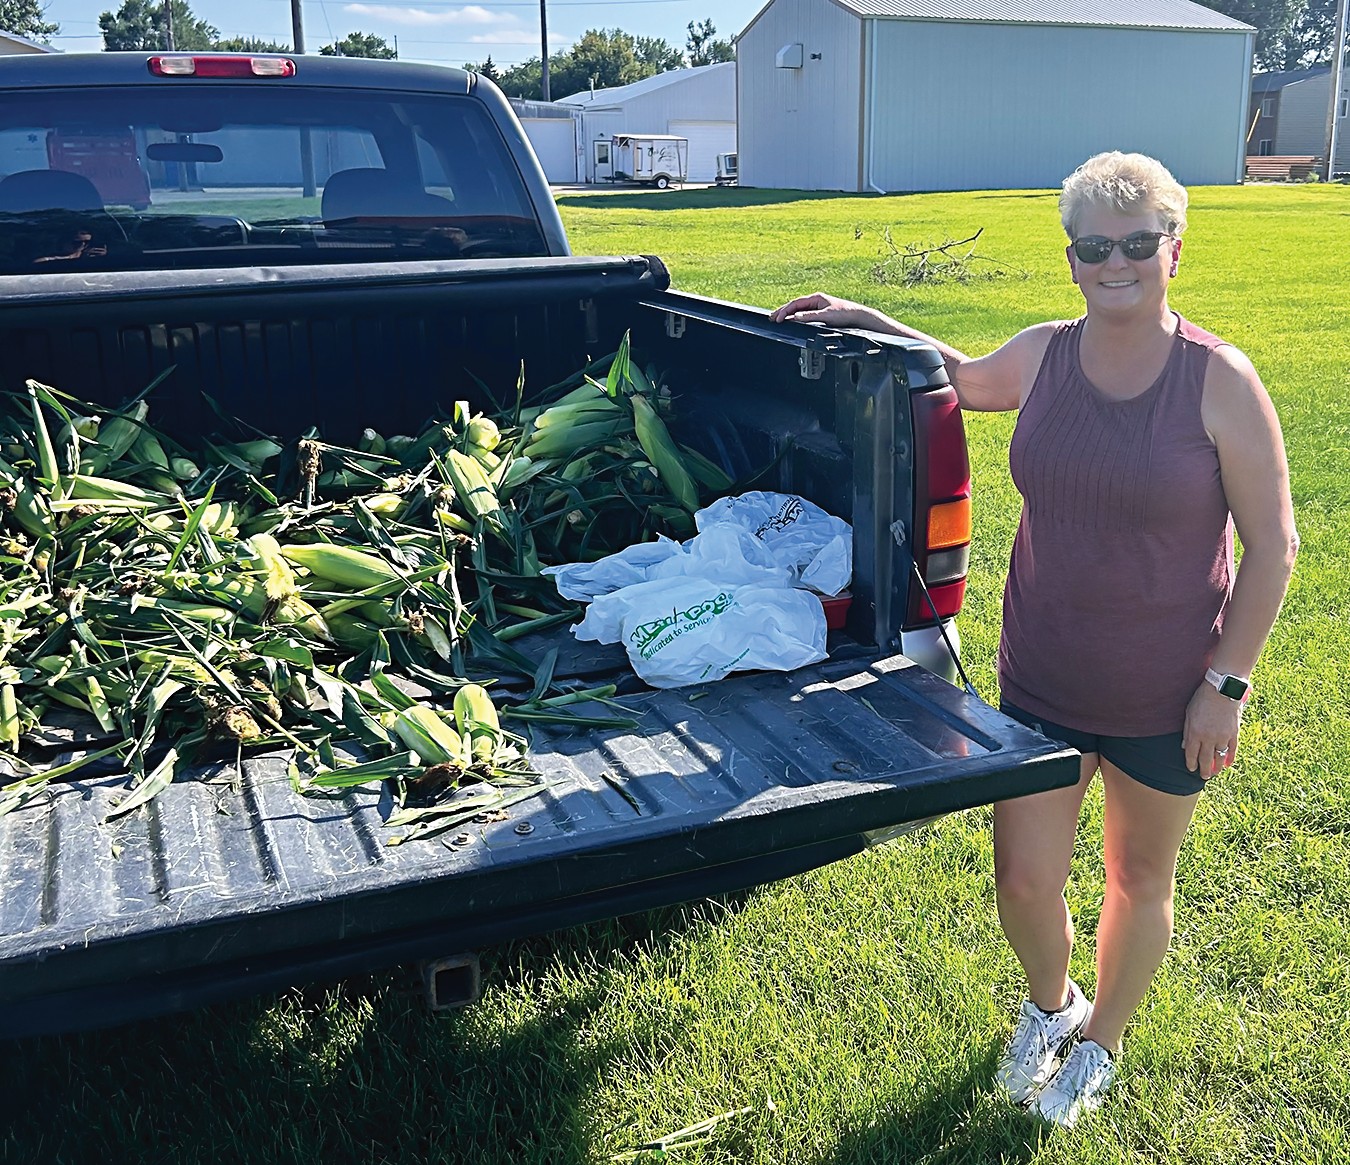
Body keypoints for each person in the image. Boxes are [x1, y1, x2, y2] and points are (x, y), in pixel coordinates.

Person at [772, 151, 1298, 1128]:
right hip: (1043, 680)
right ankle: (1053, 1006)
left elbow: (1274, 547)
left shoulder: (1219, 381)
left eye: (1139, 243)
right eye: (1095, 245)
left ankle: (1102, 1044)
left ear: (1173, 249)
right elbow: (964, 381)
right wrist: (864, 318)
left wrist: (1223, 686)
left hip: (1165, 691)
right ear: (1072, 258)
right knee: (1022, 877)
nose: (1118, 262)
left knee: (1141, 879)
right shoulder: (1049, 353)